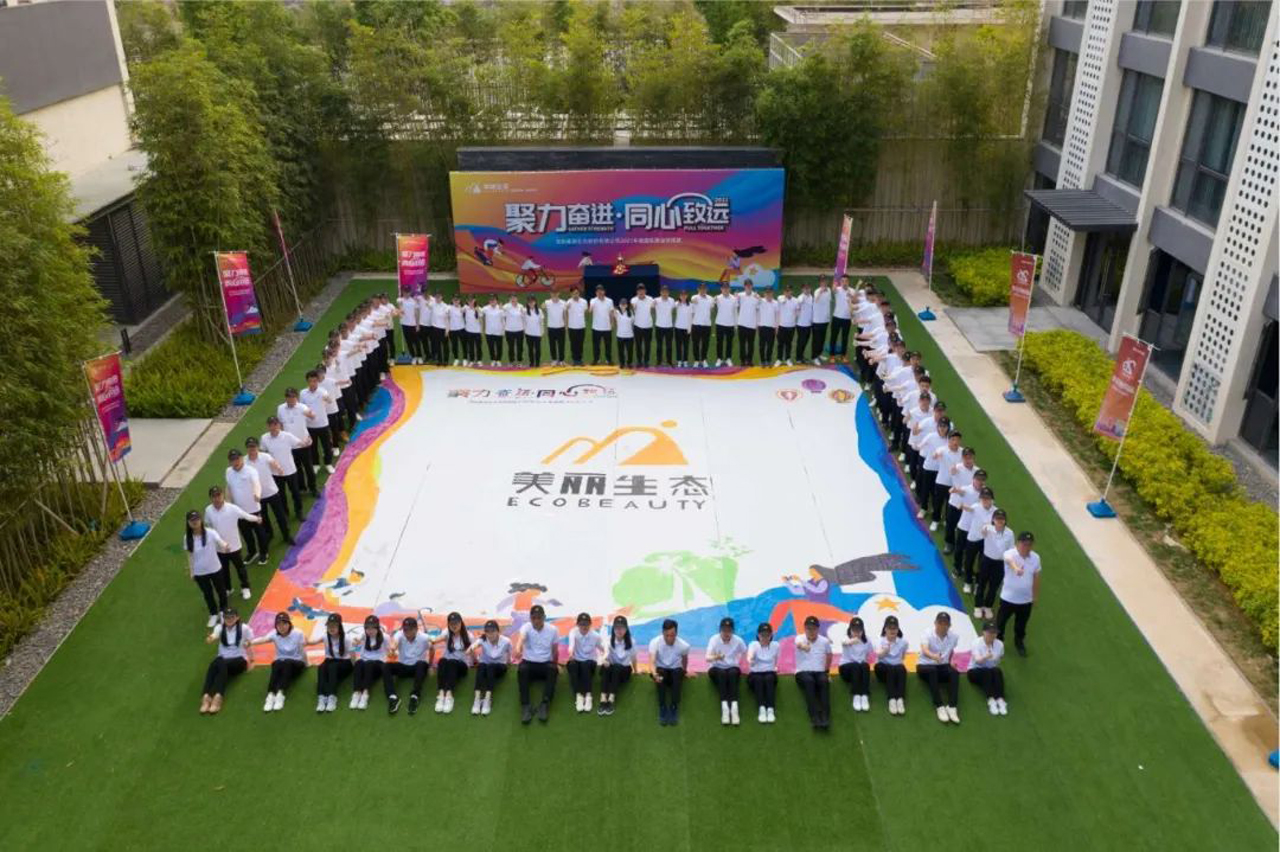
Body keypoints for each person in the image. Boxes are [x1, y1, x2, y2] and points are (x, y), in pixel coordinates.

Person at [204, 485, 260, 601]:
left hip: (234, 546)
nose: (217, 498)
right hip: (219, 548)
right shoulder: (208, 510)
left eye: (218, 495)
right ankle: (228, 588)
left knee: (240, 568)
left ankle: (245, 587)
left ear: (222, 495)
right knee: (224, 570)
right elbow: (208, 525)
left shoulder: (232, 508)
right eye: (214, 496)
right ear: (211, 498)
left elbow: (245, 515)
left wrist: (257, 519)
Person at [249, 611, 307, 713]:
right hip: (281, 662)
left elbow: (302, 649)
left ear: (289, 624)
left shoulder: (298, 633)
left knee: (286, 663)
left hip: (297, 662)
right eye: (279, 624)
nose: (282, 627)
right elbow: (263, 639)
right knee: (276, 663)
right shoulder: (274, 634)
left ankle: (280, 694)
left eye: (284, 623)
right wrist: (250, 643)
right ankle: (270, 694)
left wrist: (306, 662)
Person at [199, 607, 252, 715]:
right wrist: (211, 639)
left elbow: (250, 642)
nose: (229, 620)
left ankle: (218, 697)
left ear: (237, 617)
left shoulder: (244, 628)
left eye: (232, 617)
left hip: (239, 660)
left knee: (219, 662)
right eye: (227, 617)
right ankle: (206, 696)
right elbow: (214, 635)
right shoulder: (219, 628)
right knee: (215, 663)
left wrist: (252, 660)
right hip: (223, 661)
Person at [997, 531, 1041, 656]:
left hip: (1026, 600)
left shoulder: (1036, 558)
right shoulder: (1010, 553)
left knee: (1021, 625)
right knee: (1001, 622)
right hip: (1008, 598)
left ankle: (1019, 642)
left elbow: (1036, 577)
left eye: (1029, 544)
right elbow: (1009, 560)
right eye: (1024, 544)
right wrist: (1016, 568)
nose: (1026, 547)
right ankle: (998, 642)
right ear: (1018, 543)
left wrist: (1035, 596)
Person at [515, 604, 559, 724]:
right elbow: (521, 639)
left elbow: (555, 649)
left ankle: (544, 704)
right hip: (529, 663)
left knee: (553, 669)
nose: (536, 620)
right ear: (530, 618)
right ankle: (526, 705)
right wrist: (518, 649)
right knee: (522, 669)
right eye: (534, 618)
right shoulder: (526, 627)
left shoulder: (553, 630)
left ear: (544, 617)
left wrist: (556, 663)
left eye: (539, 617)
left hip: (545, 663)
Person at [224, 448, 268, 566]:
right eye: (232, 460)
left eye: (237, 459)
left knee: (259, 532)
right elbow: (228, 487)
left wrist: (257, 494)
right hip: (239, 510)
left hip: (254, 508)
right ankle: (252, 552)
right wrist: (228, 503)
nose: (235, 462)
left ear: (241, 458)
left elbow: (257, 484)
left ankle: (264, 553)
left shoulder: (251, 471)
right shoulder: (228, 472)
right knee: (246, 533)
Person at [184, 510, 229, 627]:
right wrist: (192, 571)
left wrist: (225, 546)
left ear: (201, 520)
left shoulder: (210, 532)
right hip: (200, 572)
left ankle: (223, 611)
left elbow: (220, 541)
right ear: (188, 523)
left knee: (221, 590)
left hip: (215, 568)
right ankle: (213, 613)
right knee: (207, 593)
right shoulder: (187, 538)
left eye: (196, 519)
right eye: (192, 520)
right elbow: (190, 555)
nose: (195, 522)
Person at [917, 611, 961, 724]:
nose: (942, 625)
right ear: (935, 623)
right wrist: (933, 656)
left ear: (949, 625)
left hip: (943, 666)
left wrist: (951, 662)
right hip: (924, 666)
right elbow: (924, 649)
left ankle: (952, 706)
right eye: (940, 623)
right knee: (932, 671)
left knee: (954, 672)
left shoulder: (954, 636)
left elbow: (951, 650)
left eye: (945, 623)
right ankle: (939, 706)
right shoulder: (927, 633)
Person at [384, 616, 432, 716]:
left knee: (421, 664)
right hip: (403, 665)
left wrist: (430, 665)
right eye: (405, 630)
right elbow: (394, 642)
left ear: (416, 629)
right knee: (386, 666)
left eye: (410, 629)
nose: (407, 632)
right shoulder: (399, 634)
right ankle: (392, 697)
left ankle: (415, 696)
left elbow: (432, 649)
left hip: (417, 667)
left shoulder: (424, 637)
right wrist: (392, 649)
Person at [260, 416, 305, 523]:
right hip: (276, 473)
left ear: (279, 425)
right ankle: (285, 513)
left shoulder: (287, 436)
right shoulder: (264, 438)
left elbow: (300, 443)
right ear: (268, 426)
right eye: (271, 425)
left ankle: (299, 511)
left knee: (295, 492)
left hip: (290, 470)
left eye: (275, 424)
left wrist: (306, 441)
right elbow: (263, 452)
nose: (273, 427)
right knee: (281, 495)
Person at [705, 616, 746, 726]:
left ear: (733, 631)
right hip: (716, 668)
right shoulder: (714, 639)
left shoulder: (738, 640)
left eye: (729, 630)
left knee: (732, 673)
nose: (726, 633)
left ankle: (734, 708)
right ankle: (725, 709)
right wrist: (717, 657)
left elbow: (745, 652)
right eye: (724, 630)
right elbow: (707, 658)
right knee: (722, 674)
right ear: (720, 630)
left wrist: (745, 665)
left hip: (732, 667)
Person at [648, 618, 690, 726]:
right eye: (667, 635)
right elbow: (652, 662)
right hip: (661, 672)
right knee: (660, 674)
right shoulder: (655, 642)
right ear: (662, 633)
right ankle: (662, 706)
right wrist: (654, 674)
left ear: (676, 633)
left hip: (675, 672)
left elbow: (685, 660)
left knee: (677, 674)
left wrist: (685, 672)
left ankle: (674, 706)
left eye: (672, 635)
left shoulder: (684, 645)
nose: (670, 638)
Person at [794, 614, 832, 730]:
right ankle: (814, 716)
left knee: (823, 681)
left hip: (819, 672)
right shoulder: (800, 638)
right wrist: (804, 647)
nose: (811, 631)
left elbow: (829, 655)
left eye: (813, 629)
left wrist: (826, 671)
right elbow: (799, 644)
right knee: (809, 681)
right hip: (802, 672)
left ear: (818, 629)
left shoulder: (824, 641)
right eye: (808, 628)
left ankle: (825, 717)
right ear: (805, 628)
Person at [277, 388, 317, 496]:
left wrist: (311, 414)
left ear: (297, 397)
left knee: (308, 467)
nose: (291, 399)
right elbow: (280, 424)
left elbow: (312, 416)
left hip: (304, 443)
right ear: (286, 398)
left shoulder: (302, 407)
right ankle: (302, 488)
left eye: (293, 397)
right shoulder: (280, 408)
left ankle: (313, 488)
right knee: (297, 468)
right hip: (290, 445)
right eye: (289, 397)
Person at [468, 619, 512, 716]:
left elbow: (509, 654)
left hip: (500, 666)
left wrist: (509, 662)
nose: (490, 634)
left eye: (493, 631)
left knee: (491, 667)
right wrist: (471, 650)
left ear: (498, 631)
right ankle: (477, 698)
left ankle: (488, 698)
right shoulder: (483, 639)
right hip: (485, 665)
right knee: (481, 666)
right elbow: (473, 646)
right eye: (487, 631)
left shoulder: (506, 641)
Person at [959, 482, 995, 597]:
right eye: (983, 498)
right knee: (968, 561)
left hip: (986, 541)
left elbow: (997, 527)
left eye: (987, 498)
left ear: (992, 499)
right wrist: (962, 506)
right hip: (973, 538)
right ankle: (968, 582)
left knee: (982, 565)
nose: (985, 500)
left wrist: (988, 528)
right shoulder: (976, 506)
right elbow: (969, 509)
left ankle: (979, 584)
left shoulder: (995, 512)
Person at [976, 509, 1013, 620]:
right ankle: (978, 606)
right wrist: (985, 529)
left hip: (1000, 563)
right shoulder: (988, 528)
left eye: (1002, 519)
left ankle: (988, 606)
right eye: (997, 519)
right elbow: (982, 533)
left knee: (994, 586)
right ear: (993, 519)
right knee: (982, 583)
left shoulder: (1009, 533)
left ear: (1005, 520)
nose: (999, 521)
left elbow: (1011, 550)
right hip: (986, 560)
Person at [432, 611, 471, 714]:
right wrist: (432, 640)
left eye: (456, 623)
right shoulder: (447, 632)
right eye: (451, 624)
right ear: (448, 624)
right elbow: (436, 639)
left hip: (462, 666)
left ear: (461, 623)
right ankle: (441, 695)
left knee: (452, 662)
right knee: (442, 660)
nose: (454, 626)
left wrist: (476, 661)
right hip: (448, 664)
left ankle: (449, 696)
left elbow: (472, 651)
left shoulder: (468, 635)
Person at [312, 613, 352, 713]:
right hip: (331, 660)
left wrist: (354, 666)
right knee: (321, 667)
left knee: (332, 667)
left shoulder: (346, 638)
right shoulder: (326, 637)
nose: (331, 628)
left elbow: (352, 654)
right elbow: (313, 642)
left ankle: (332, 696)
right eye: (329, 626)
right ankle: (322, 697)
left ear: (339, 626)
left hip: (345, 662)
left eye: (334, 626)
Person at [597, 614, 635, 717]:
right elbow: (605, 653)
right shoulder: (608, 640)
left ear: (626, 629)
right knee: (606, 667)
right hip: (612, 670)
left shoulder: (631, 641)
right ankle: (603, 699)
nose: (619, 630)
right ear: (613, 629)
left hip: (624, 671)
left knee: (617, 667)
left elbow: (633, 658)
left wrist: (636, 670)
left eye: (622, 627)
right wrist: (604, 659)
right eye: (617, 627)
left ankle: (611, 699)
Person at [565, 612, 602, 713]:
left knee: (586, 664)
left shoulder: (595, 636)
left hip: (590, 663)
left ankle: (588, 696)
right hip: (577, 662)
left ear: (590, 624)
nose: (584, 627)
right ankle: (579, 696)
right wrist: (571, 653)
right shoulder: (573, 632)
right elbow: (571, 645)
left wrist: (605, 658)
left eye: (586, 624)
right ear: (577, 625)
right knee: (571, 665)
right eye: (581, 624)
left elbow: (602, 648)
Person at [968, 621, 1007, 715]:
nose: (992, 635)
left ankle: (1000, 699)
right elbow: (978, 661)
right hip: (974, 670)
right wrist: (986, 656)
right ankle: (991, 699)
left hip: (991, 670)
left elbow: (1000, 656)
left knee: (997, 671)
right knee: (986, 672)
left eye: (994, 632)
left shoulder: (1000, 644)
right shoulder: (976, 643)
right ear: (983, 632)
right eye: (989, 632)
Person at [349, 615, 387, 711]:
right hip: (364, 662)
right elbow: (354, 644)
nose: (370, 631)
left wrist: (392, 651)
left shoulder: (385, 637)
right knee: (358, 662)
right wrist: (354, 644)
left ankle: (365, 694)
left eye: (373, 628)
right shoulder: (363, 636)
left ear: (377, 628)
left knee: (369, 663)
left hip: (378, 664)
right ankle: (356, 693)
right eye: (367, 628)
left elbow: (391, 650)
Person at [875, 615, 909, 715]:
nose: (892, 630)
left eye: (894, 628)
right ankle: (891, 699)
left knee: (901, 668)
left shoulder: (903, 642)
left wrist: (898, 664)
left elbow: (903, 657)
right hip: (882, 669)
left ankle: (900, 699)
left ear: (898, 629)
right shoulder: (880, 640)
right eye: (890, 628)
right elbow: (879, 655)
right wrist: (886, 650)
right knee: (890, 668)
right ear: (885, 629)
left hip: (896, 670)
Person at [746, 622, 780, 723]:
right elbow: (750, 656)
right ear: (758, 635)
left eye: (767, 635)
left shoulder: (776, 645)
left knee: (769, 678)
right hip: (755, 674)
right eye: (762, 635)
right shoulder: (753, 645)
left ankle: (770, 709)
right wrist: (751, 659)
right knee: (758, 679)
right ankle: (761, 709)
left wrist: (775, 668)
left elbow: (776, 660)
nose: (765, 638)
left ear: (771, 635)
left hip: (770, 673)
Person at [838, 616, 872, 712]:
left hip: (859, 670)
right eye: (854, 630)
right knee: (856, 665)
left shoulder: (867, 640)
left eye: (859, 630)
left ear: (862, 630)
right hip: (846, 670)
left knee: (865, 665)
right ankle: (856, 695)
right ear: (850, 629)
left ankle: (864, 695)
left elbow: (869, 653)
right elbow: (844, 642)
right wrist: (851, 641)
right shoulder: (846, 637)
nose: (857, 632)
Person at [713, 282, 737, 367]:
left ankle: (728, 358)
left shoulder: (734, 298)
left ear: (729, 289)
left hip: (730, 324)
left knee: (729, 342)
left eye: (727, 288)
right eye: (724, 288)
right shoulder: (717, 298)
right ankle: (719, 359)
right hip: (719, 323)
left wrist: (735, 325)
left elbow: (735, 312)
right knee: (719, 342)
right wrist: (713, 300)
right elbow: (711, 305)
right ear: (721, 289)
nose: (725, 289)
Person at [736, 281, 759, 366]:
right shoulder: (740, 295)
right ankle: (742, 360)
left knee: (750, 344)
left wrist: (757, 323)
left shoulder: (756, 296)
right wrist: (735, 297)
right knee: (742, 344)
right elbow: (735, 305)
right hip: (741, 323)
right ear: (744, 286)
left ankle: (749, 360)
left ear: (752, 286)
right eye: (747, 285)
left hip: (752, 324)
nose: (748, 287)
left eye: (750, 285)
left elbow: (758, 309)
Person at [589, 286, 614, 365]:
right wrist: (591, 307)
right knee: (596, 345)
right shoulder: (593, 300)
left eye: (601, 291)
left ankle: (608, 360)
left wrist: (612, 323)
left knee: (608, 345)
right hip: (596, 327)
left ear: (604, 291)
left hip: (607, 327)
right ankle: (596, 359)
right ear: (596, 293)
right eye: (598, 291)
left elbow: (611, 313)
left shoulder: (609, 301)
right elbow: (590, 311)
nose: (599, 292)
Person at [690, 282, 713, 368]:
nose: (703, 290)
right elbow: (692, 300)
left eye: (704, 288)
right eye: (701, 289)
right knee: (695, 343)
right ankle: (696, 360)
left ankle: (704, 360)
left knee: (705, 343)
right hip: (696, 324)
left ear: (707, 289)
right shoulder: (694, 297)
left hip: (707, 325)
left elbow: (712, 308)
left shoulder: (710, 298)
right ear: (698, 289)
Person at [810, 275, 832, 364]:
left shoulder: (829, 290)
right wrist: (821, 291)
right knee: (816, 340)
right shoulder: (817, 291)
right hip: (817, 321)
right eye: (822, 281)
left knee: (822, 339)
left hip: (825, 320)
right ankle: (814, 357)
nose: (824, 283)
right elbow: (816, 300)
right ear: (820, 283)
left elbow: (828, 303)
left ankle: (819, 354)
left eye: (825, 281)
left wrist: (828, 317)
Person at [631, 284, 654, 367]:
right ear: (637, 291)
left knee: (647, 345)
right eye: (639, 290)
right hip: (637, 326)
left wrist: (653, 307)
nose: (641, 291)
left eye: (642, 290)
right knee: (638, 345)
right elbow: (632, 307)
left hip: (648, 326)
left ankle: (646, 361)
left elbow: (653, 308)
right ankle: (639, 361)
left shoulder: (650, 299)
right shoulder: (634, 300)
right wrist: (633, 307)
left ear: (645, 291)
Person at [831, 275, 853, 360]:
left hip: (847, 318)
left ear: (848, 282)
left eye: (846, 281)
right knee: (834, 337)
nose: (844, 283)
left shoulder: (852, 291)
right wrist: (835, 282)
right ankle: (832, 355)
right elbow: (833, 290)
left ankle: (843, 355)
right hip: (836, 317)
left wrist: (851, 296)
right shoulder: (837, 289)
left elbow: (855, 301)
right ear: (840, 282)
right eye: (843, 281)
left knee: (845, 338)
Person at [654, 284, 675, 367]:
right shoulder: (656, 300)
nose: (665, 293)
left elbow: (675, 308)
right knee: (659, 346)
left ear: (668, 292)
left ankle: (669, 361)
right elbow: (650, 305)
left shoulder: (672, 300)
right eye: (663, 292)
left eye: (666, 292)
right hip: (659, 326)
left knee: (669, 346)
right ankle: (659, 361)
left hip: (669, 327)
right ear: (660, 292)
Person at [399, 289, 422, 364]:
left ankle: (419, 356)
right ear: (403, 292)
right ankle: (413, 357)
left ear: (410, 292)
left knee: (416, 342)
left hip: (413, 325)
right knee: (409, 342)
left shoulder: (414, 301)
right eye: (405, 292)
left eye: (408, 292)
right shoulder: (400, 301)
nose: (406, 293)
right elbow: (400, 311)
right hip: (404, 325)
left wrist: (417, 325)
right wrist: (400, 309)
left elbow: (417, 313)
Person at [566, 287, 588, 366]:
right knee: (573, 344)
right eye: (574, 293)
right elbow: (566, 313)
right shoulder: (568, 302)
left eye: (577, 293)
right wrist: (567, 325)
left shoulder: (584, 302)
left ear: (579, 293)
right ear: (571, 294)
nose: (576, 295)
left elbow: (585, 312)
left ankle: (580, 360)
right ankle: (575, 360)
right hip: (572, 327)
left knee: (580, 343)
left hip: (581, 326)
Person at [777, 284, 798, 365]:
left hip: (791, 326)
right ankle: (779, 359)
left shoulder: (795, 300)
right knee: (780, 344)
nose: (788, 292)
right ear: (784, 292)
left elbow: (797, 311)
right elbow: (782, 301)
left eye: (789, 291)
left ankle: (787, 359)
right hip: (781, 325)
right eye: (786, 291)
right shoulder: (780, 298)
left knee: (788, 344)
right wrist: (785, 298)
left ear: (792, 291)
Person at [544, 290, 567, 366]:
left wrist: (566, 326)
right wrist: (545, 327)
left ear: (558, 293)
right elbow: (543, 310)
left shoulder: (563, 302)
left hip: (561, 327)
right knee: (552, 345)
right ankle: (554, 360)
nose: (554, 294)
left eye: (556, 293)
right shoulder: (547, 302)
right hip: (551, 327)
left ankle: (561, 360)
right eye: (552, 293)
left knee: (561, 344)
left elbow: (565, 315)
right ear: (550, 293)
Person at [758, 287, 779, 366]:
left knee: (770, 345)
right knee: (762, 345)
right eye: (767, 293)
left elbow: (777, 316)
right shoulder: (760, 301)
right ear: (764, 293)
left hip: (771, 327)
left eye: (770, 292)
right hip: (762, 327)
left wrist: (776, 327)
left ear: (772, 293)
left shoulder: (776, 303)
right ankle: (762, 360)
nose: (768, 294)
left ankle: (768, 360)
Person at [482, 294, 504, 366]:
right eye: (491, 300)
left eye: (494, 300)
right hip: (489, 332)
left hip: (499, 332)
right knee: (491, 347)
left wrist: (502, 309)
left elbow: (504, 317)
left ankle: (498, 360)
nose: (492, 301)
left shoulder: (500, 308)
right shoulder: (485, 308)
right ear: (489, 301)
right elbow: (479, 313)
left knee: (499, 347)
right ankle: (493, 360)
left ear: (497, 301)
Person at [503, 294, 525, 366]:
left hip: (519, 330)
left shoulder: (521, 306)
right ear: (509, 299)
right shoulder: (506, 306)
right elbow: (502, 315)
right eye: (511, 298)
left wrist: (522, 313)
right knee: (511, 347)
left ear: (517, 299)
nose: (513, 299)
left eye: (514, 298)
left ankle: (519, 361)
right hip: (509, 330)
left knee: (520, 347)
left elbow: (524, 316)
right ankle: (511, 361)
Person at [674, 289, 693, 368]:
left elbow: (691, 317)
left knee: (686, 346)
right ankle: (678, 361)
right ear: (679, 296)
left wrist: (690, 328)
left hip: (686, 328)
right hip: (678, 328)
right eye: (682, 295)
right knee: (678, 345)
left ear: (687, 296)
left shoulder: (690, 305)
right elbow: (673, 306)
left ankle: (685, 361)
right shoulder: (677, 304)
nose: (683, 296)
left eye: (684, 295)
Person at [524, 296, 544, 368]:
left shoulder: (539, 311)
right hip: (528, 333)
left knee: (537, 349)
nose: (531, 303)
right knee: (530, 349)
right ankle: (531, 363)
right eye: (529, 302)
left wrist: (542, 332)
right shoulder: (524, 311)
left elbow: (542, 322)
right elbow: (523, 321)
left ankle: (537, 363)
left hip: (537, 334)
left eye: (532, 302)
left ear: (535, 302)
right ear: (527, 303)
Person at [615, 300, 635, 369]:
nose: (623, 305)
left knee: (630, 351)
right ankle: (622, 363)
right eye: (622, 304)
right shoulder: (617, 312)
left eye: (624, 304)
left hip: (629, 335)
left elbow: (633, 322)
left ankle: (629, 363)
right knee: (621, 351)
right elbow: (611, 314)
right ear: (619, 305)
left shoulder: (631, 312)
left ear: (627, 305)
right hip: (620, 335)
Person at [463, 295, 482, 366]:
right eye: (469, 301)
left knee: (478, 347)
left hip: (477, 332)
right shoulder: (465, 308)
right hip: (468, 331)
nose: (470, 302)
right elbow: (460, 310)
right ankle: (471, 360)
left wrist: (477, 311)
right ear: (467, 301)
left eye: (472, 300)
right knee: (470, 347)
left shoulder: (479, 309)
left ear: (474, 300)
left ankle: (479, 360)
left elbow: (481, 320)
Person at [447, 295, 465, 366]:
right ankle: (456, 359)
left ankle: (465, 359)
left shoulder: (463, 308)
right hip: (452, 330)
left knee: (464, 345)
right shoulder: (449, 308)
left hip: (462, 329)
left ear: (459, 300)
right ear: (452, 300)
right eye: (454, 300)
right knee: (454, 345)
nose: (456, 301)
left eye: (457, 300)